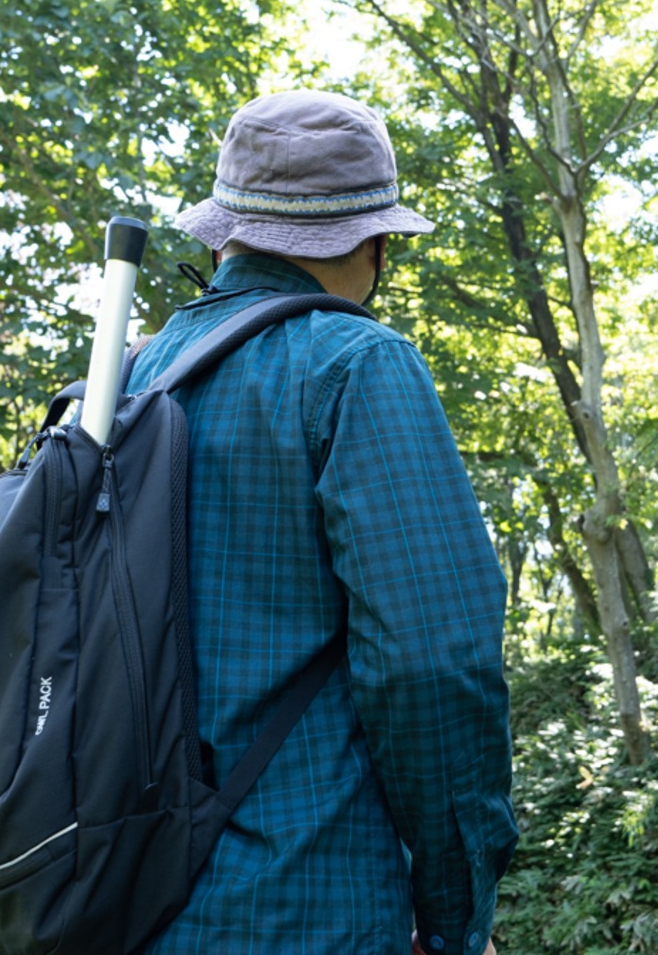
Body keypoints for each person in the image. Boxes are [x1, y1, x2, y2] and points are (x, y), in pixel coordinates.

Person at [126, 90, 517, 955]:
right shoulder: (355, 365)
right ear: (375, 244)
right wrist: (458, 919)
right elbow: (432, 664)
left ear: (222, 234)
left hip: (115, 903)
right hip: (304, 907)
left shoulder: (128, 379)